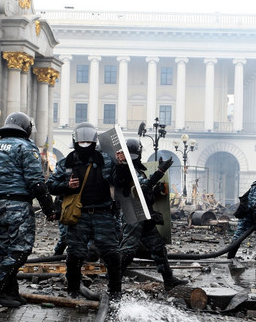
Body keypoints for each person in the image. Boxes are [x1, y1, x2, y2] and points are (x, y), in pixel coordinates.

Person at [46, 122, 125, 300]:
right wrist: (66, 185)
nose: (84, 144)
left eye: (88, 141)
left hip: (103, 213)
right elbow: (50, 185)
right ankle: (73, 290)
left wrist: (121, 165)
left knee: (112, 254)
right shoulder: (66, 163)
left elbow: (118, 181)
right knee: (75, 254)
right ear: (75, 140)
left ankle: (115, 292)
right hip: (78, 215)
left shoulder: (105, 159)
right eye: (81, 141)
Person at [0, 112, 56, 308]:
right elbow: (36, 182)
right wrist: (49, 208)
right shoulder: (26, 147)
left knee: (5, 248)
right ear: (26, 128)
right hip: (17, 205)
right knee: (21, 249)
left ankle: (11, 293)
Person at [118, 138, 187, 290]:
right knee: (128, 250)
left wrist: (156, 190)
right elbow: (140, 188)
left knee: (158, 247)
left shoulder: (136, 169)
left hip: (144, 212)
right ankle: (114, 280)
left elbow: (145, 191)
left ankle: (168, 279)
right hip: (134, 213)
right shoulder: (127, 170)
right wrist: (160, 172)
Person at [227, 180, 256, 259]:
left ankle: (230, 256)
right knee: (240, 235)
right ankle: (230, 256)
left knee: (238, 235)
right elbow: (253, 205)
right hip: (247, 215)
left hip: (249, 214)